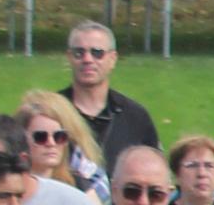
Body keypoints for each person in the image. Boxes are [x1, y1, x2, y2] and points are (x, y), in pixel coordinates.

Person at [58, 22, 155, 175]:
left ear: (112, 59)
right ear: (69, 57)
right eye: (79, 53)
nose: (87, 59)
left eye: (97, 53)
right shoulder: (51, 113)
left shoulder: (135, 117)